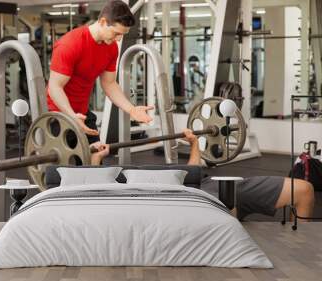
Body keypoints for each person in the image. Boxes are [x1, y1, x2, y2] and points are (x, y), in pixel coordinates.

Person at [90, 130, 315, 221]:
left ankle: (300, 241)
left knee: (304, 189)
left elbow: (193, 171)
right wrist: (97, 159)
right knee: (224, 211)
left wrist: (195, 143)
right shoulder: (124, 185)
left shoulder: (190, 174)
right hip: (191, 201)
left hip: (215, 184)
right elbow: (98, 184)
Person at [47, 0, 153, 146]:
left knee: (98, 153)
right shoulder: (70, 44)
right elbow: (54, 87)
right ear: (103, 22)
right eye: (116, 33)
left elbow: (109, 83)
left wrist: (131, 109)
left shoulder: (111, 48)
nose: (118, 39)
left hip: (83, 112)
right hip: (59, 115)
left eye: (122, 35)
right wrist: (71, 116)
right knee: (62, 166)